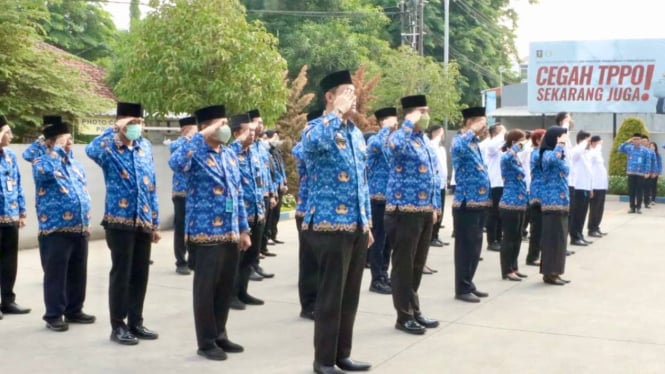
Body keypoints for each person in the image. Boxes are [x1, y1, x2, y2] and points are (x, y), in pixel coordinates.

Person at [302, 70, 372, 374]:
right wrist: (337, 113)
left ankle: (343, 353)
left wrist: (366, 222)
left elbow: (362, 183)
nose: (352, 97)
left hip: (355, 225)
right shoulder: (316, 127)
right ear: (330, 96)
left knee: (350, 296)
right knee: (330, 297)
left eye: (353, 92)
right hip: (329, 224)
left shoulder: (355, 133)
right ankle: (324, 360)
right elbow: (311, 146)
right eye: (346, 92)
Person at [169, 105, 251, 361]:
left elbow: (235, 194)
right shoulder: (194, 152)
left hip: (229, 233)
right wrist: (201, 135)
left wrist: (244, 229)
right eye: (219, 124)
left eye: (224, 123)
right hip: (205, 233)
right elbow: (176, 162)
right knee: (205, 290)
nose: (224, 128)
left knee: (224, 287)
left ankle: (220, 334)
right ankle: (205, 342)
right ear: (206, 127)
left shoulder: (227, 154)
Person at [85, 102, 160, 345]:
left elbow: (151, 185)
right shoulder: (109, 147)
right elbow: (91, 149)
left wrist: (154, 222)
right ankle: (118, 325)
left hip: (143, 219)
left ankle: (136, 321)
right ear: (120, 124)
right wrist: (113, 130)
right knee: (122, 273)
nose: (136, 127)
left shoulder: (144, 147)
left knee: (140, 273)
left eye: (139, 123)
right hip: (119, 221)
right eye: (131, 123)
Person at [23, 116, 94, 332]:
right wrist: (55, 148)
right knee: (56, 274)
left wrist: (87, 219)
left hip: (79, 226)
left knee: (78, 272)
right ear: (52, 141)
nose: (69, 143)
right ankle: (54, 314)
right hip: (55, 227)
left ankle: (74, 309)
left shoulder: (74, 164)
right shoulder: (43, 161)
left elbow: (82, 191)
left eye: (70, 139)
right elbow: (44, 173)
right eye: (65, 139)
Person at [384, 95, 440, 335]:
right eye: (422, 111)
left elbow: (433, 175)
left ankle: (414, 309)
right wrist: (408, 122)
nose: (426, 115)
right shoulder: (399, 136)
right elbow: (393, 147)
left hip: (424, 210)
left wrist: (435, 205)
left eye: (427, 110)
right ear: (410, 113)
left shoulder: (423, 140)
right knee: (403, 265)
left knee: (417, 264)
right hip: (403, 210)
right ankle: (403, 315)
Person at [451, 107, 491, 303]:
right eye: (482, 123)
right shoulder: (460, 139)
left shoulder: (475, 143)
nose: (485, 128)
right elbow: (457, 149)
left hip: (479, 201)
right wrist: (472, 130)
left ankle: (469, 282)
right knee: (465, 247)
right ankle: (462, 287)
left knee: (475, 247)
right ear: (470, 122)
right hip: (466, 202)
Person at [229, 113, 266, 310]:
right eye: (247, 131)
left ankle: (242, 291)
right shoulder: (231, 153)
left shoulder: (254, 152)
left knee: (250, 258)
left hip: (257, 212)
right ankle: (230, 295)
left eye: (253, 131)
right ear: (236, 133)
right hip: (239, 217)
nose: (252, 135)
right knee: (237, 259)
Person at [0, 115, 31, 318]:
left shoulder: (10, 156)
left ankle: (8, 300)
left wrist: (21, 212)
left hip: (9, 217)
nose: (11, 136)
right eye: (7, 132)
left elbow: (18, 183)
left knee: (9, 261)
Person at [293, 109, 322, 320]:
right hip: (306, 210)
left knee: (320, 261)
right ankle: (308, 304)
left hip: (320, 211)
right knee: (309, 260)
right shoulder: (304, 145)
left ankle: (318, 299)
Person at [366, 107, 398, 295]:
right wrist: (385, 128)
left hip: (391, 198)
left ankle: (384, 275)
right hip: (377, 197)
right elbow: (375, 145)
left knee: (388, 241)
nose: (396, 124)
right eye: (392, 121)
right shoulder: (375, 139)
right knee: (378, 240)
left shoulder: (393, 141)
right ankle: (376, 279)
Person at [539, 126, 571, 286]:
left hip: (562, 202)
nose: (564, 141)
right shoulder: (546, 154)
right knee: (552, 239)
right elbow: (553, 160)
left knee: (560, 239)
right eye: (561, 137)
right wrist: (560, 145)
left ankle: (556, 272)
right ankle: (549, 273)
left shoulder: (560, 155)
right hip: (552, 203)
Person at [249, 109, 278, 268]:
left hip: (264, 193)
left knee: (261, 229)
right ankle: (250, 265)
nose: (261, 125)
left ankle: (256, 263)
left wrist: (272, 192)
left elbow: (268, 171)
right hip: (251, 196)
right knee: (252, 233)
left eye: (261, 123)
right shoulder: (246, 146)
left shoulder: (262, 146)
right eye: (258, 122)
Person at [498, 129, 528, 282]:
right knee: (509, 238)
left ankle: (514, 267)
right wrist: (516, 146)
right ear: (514, 142)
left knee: (517, 237)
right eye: (521, 141)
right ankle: (506, 270)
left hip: (520, 202)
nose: (524, 144)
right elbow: (506, 158)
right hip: (510, 203)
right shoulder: (507, 156)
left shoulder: (516, 157)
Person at [170, 116, 198, 275]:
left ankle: (193, 258)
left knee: (194, 227)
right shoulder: (177, 144)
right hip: (181, 193)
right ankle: (180, 260)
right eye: (195, 130)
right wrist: (189, 138)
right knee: (181, 228)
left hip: (195, 193)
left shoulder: (196, 144)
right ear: (185, 130)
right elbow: (177, 151)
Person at [483, 124, 506, 252]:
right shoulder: (490, 146)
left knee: (501, 213)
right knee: (494, 214)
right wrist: (501, 134)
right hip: (494, 183)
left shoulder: (502, 147)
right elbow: (492, 146)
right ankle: (492, 241)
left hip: (502, 184)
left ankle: (499, 238)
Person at [569, 130, 593, 246]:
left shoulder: (586, 154)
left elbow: (589, 173)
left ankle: (580, 234)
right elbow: (575, 152)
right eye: (588, 141)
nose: (590, 143)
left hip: (585, 187)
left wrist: (590, 188)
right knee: (577, 214)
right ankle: (575, 236)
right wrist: (583, 143)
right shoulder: (576, 152)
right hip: (578, 188)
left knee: (583, 214)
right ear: (581, 141)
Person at [525, 129, 546, 266]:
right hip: (537, 194)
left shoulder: (541, 153)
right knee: (537, 228)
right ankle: (532, 256)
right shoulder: (537, 153)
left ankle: (537, 254)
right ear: (538, 140)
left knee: (541, 227)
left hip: (542, 193)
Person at [427, 124, 449, 248]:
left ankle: (436, 235)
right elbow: (433, 144)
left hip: (442, 183)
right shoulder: (431, 145)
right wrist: (436, 136)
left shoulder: (442, 148)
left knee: (441, 211)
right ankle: (431, 237)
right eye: (441, 133)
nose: (443, 135)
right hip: (434, 184)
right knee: (435, 210)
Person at [265, 129, 287, 244]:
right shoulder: (267, 152)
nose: (277, 140)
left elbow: (280, 168)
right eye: (274, 137)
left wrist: (284, 182)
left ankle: (273, 234)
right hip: (271, 186)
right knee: (270, 214)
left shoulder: (276, 151)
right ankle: (267, 236)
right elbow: (270, 172)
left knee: (276, 213)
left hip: (278, 185)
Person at [618, 133, 649, 214]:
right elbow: (620, 149)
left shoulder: (645, 150)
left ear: (641, 140)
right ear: (632, 139)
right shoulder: (629, 148)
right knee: (631, 191)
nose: (636, 141)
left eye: (638, 139)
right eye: (634, 139)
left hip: (640, 173)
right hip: (631, 173)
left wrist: (647, 172)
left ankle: (638, 207)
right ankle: (632, 207)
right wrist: (626, 142)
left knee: (639, 191)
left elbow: (647, 162)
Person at [587, 136, 608, 238]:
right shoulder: (591, 152)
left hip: (601, 185)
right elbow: (593, 156)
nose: (601, 145)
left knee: (600, 208)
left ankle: (596, 227)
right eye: (599, 143)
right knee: (594, 208)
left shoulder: (598, 153)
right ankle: (591, 228)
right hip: (595, 185)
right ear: (594, 143)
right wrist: (598, 145)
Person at [642, 135, 657, 208]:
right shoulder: (639, 150)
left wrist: (654, 172)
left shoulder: (651, 152)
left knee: (647, 189)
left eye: (645, 141)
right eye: (643, 141)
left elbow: (654, 162)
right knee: (639, 189)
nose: (644, 142)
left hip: (648, 173)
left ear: (648, 142)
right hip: (640, 173)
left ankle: (646, 203)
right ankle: (638, 204)